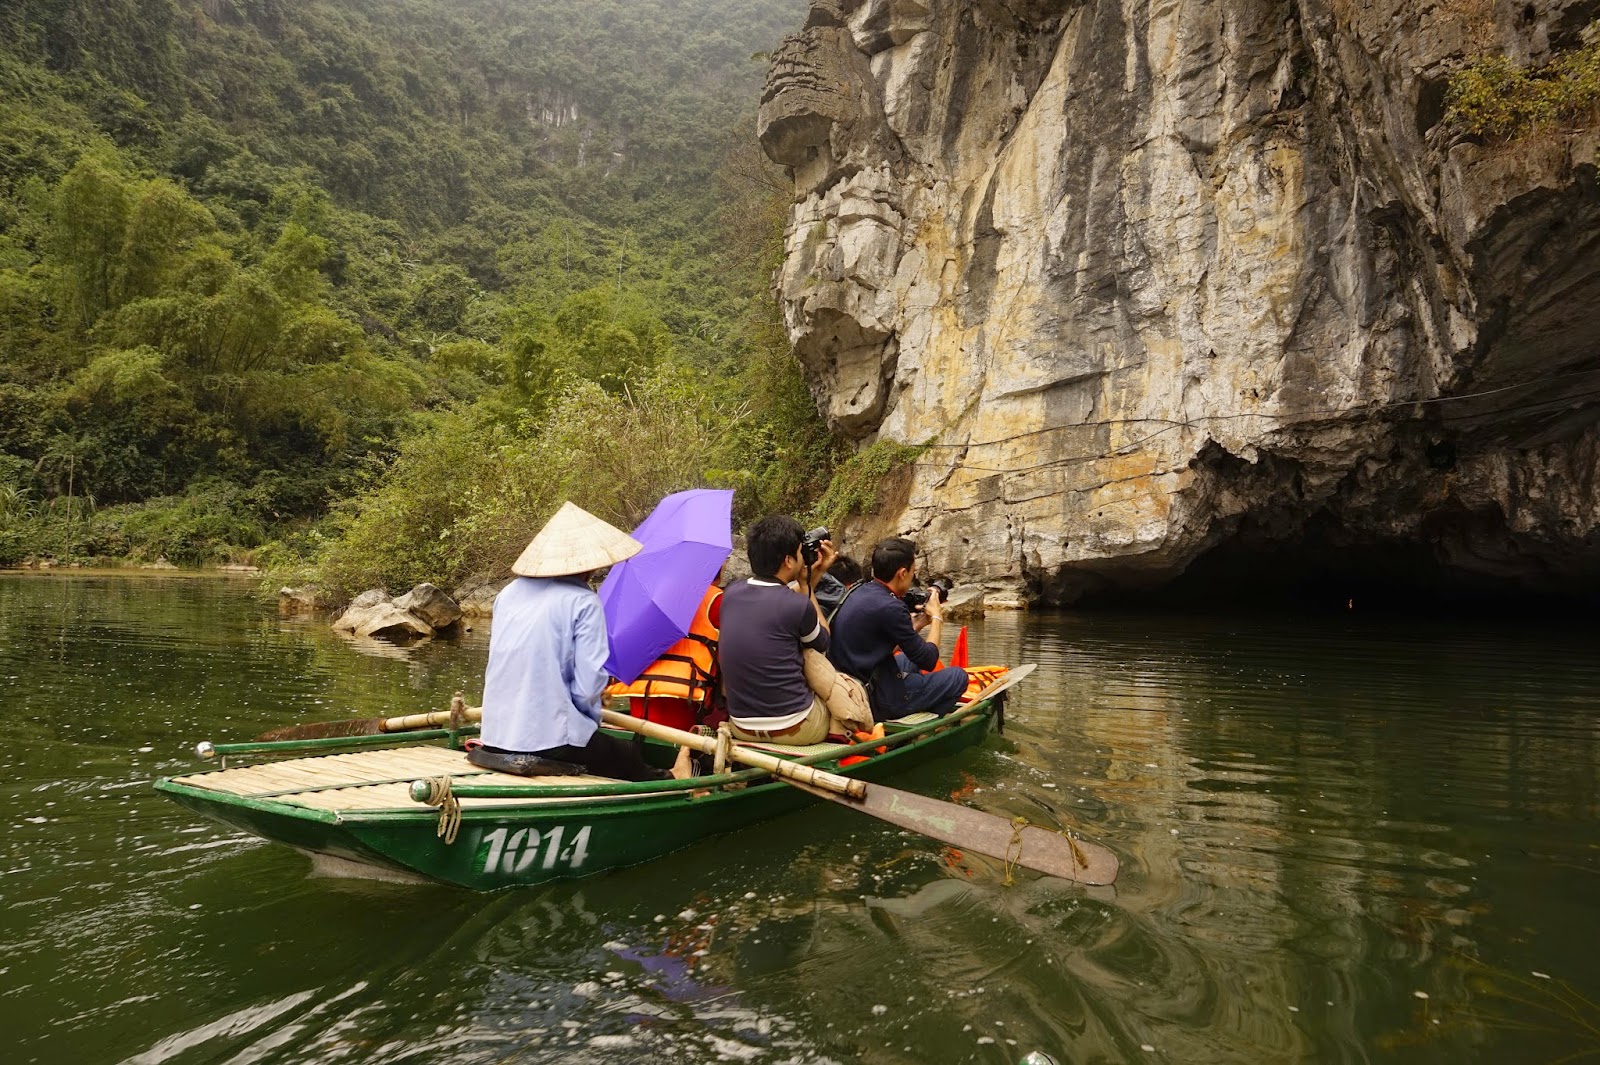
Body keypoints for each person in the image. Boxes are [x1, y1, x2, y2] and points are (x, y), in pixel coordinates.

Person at [474, 501, 691, 782]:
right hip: (549, 739)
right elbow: (587, 685)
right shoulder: (583, 601)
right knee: (625, 754)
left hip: (495, 734)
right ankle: (674, 778)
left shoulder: (507, 594)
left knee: (603, 745)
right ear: (590, 567)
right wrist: (591, 717)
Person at [717, 514, 851, 745]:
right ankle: (840, 737)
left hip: (741, 726)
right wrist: (807, 585)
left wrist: (810, 580)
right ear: (789, 561)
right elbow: (823, 640)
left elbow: (776, 601)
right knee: (847, 689)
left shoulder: (731, 594)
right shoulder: (797, 605)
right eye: (800, 552)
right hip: (797, 728)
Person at [828, 537, 969, 721]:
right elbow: (929, 659)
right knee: (958, 677)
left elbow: (878, 644)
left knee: (908, 659)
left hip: (852, 682)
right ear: (902, 573)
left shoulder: (859, 590)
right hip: (874, 698)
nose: (912, 579)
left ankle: (915, 697)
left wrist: (918, 624)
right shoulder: (891, 606)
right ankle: (921, 722)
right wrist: (936, 617)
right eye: (912, 573)